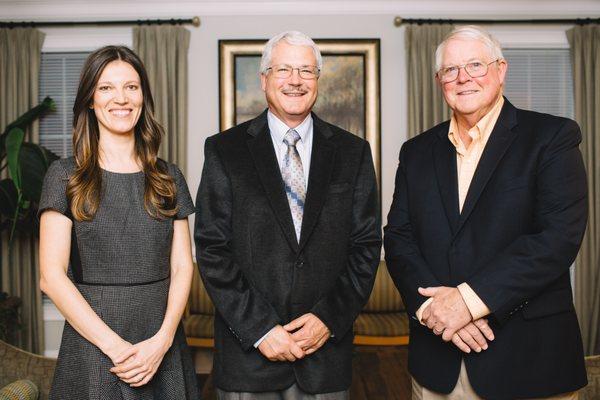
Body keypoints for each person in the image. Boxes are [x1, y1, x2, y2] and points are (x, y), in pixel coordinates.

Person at [384, 25, 587, 399]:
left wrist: (467, 301)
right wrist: (433, 309)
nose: (463, 78)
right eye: (451, 70)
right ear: (438, 79)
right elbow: (399, 238)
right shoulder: (416, 152)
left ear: (501, 70)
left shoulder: (552, 137)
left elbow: (557, 239)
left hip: (530, 363)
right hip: (439, 364)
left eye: (475, 65)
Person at [194, 31, 381, 399]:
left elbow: (366, 247)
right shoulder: (224, 150)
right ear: (265, 79)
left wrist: (328, 320)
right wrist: (261, 330)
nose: (295, 80)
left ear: (317, 81)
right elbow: (213, 249)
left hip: (324, 359)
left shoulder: (353, 152)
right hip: (249, 358)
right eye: (283, 69)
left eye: (306, 71)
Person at [38, 45, 199, 399]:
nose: (121, 98)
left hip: (162, 344)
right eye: (106, 88)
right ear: (90, 101)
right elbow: (51, 277)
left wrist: (163, 339)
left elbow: (182, 265)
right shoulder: (64, 176)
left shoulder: (168, 176)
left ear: (143, 97)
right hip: (94, 348)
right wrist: (117, 349)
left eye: (131, 86)